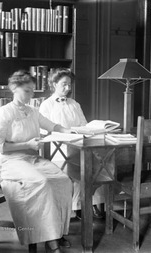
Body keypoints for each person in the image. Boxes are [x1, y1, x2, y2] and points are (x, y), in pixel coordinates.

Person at [0, 70, 72, 253]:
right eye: (27, 91)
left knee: (63, 180)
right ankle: (50, 239)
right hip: (10, 162)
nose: (31, 95)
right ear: (14, 88)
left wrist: (72, 131)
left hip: (32, 159)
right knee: (42, 182)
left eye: (32, 91)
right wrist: (27, 143)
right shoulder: (4, 113)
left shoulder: (33, 111)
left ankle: (57, 233)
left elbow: (53, 126)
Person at [39, 68, 105, 219]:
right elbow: (44, 132)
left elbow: (84, 125)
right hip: (57, 150)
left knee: (98, 165)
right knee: (77, 168)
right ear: (54, 84)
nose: (68, 88)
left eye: (70, 84)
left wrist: (87, 131)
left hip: (79, 146)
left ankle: (91, 203)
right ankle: (78, 207)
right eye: (64, 84)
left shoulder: (74, 104)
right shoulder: (46, 105)